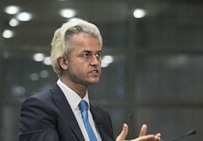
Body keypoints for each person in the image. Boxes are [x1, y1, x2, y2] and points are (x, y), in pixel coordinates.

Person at [18, 18, 161, 141]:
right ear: (64, 62)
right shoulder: (39, 108)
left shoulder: (102, 115)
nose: (95, 62)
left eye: (98, 55)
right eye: (86, 55)